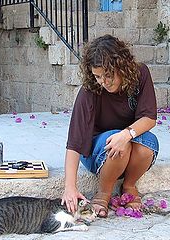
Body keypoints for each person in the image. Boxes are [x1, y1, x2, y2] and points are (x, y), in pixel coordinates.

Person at [61, 34, 159, 218]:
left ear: (121, 66)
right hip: (98, 151)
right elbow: (74, 143)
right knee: (116, 141)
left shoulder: (141, 74)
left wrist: (126, 135)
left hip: (128, 139)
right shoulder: (89, 90)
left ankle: (129, 185)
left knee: (149, 143)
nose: (103, 82)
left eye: (108, 75)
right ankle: (104, 192)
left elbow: (149, 118)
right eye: (98, 76)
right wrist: (70, 187)